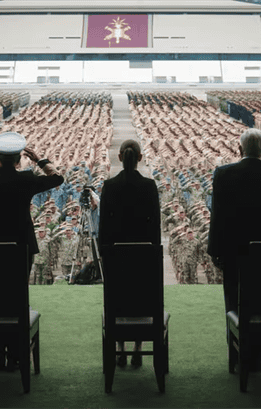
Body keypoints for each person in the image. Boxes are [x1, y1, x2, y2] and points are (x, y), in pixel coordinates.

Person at [0, 132, 64, 371]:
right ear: (20, 159)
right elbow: (57, 179)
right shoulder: (27, 179)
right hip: (22, 245)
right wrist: (40, 159)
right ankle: (17, 353)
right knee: (18, 294)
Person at [207, 128, 261, 372]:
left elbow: (217, 217)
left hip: (234, 254)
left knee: (234, 303)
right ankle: (258, 356)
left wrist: (215, 252)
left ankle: (237, 355)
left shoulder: (224, 174)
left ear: (239, 149)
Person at [99, 139, 161, 368]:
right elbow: (155, 224)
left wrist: (105, 255)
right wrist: (153, 253)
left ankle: (120, 349)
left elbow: (103, 225)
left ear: (120, 158)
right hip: (144, 255)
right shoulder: (149, 186)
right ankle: (137, 348)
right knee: (141, 297)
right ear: (140, 158)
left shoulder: (110, 186)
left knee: (118, 298)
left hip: (116, 255)